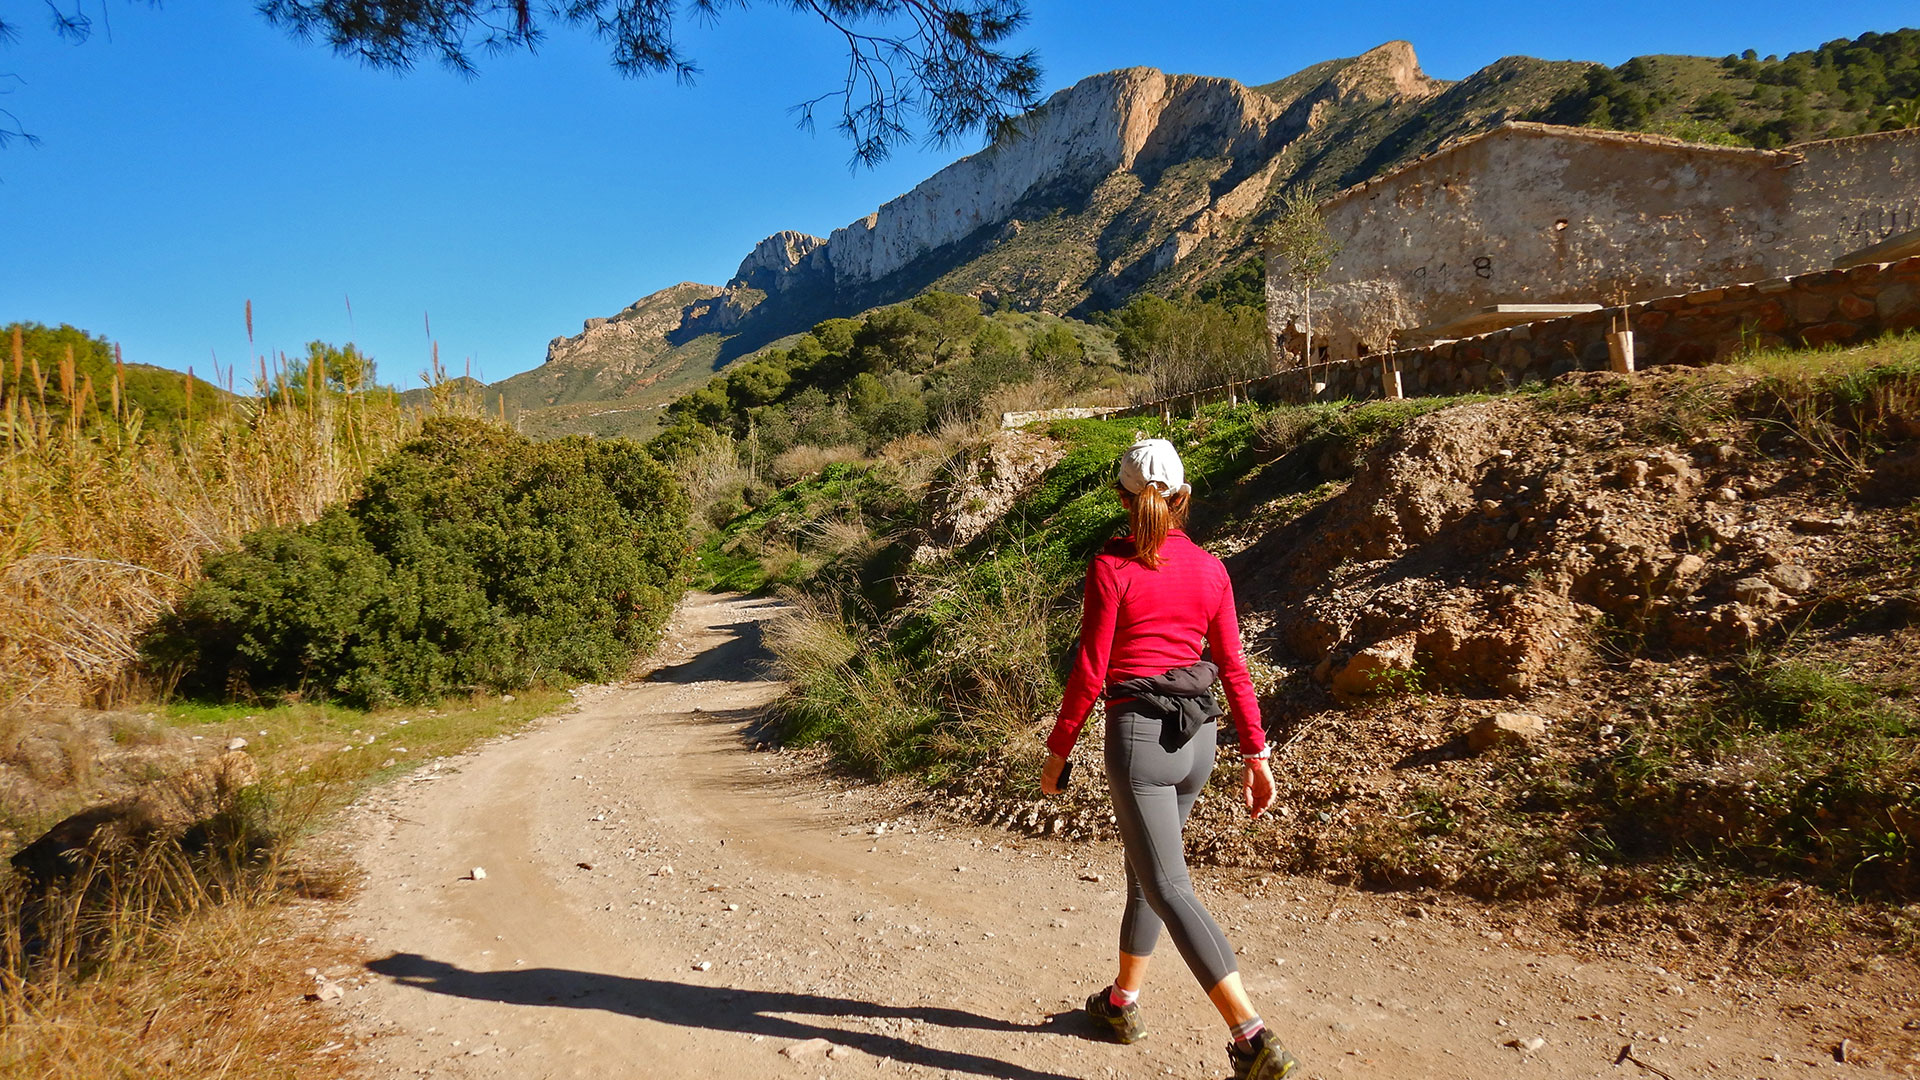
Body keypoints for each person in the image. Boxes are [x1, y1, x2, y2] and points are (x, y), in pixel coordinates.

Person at [1040, 438, 1299, 1080]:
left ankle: (1251, 1036)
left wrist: (1058, 750)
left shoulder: (1112, 567)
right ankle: (1121, 1004)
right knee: (1146, 874)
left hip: (1139, 742)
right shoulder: (1212, 569)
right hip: (1199, 741)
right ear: (1183, 497)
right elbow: (1234, 667)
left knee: (1167, 884)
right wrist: (1257, 752)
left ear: (1124, 499)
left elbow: (1092, 670)